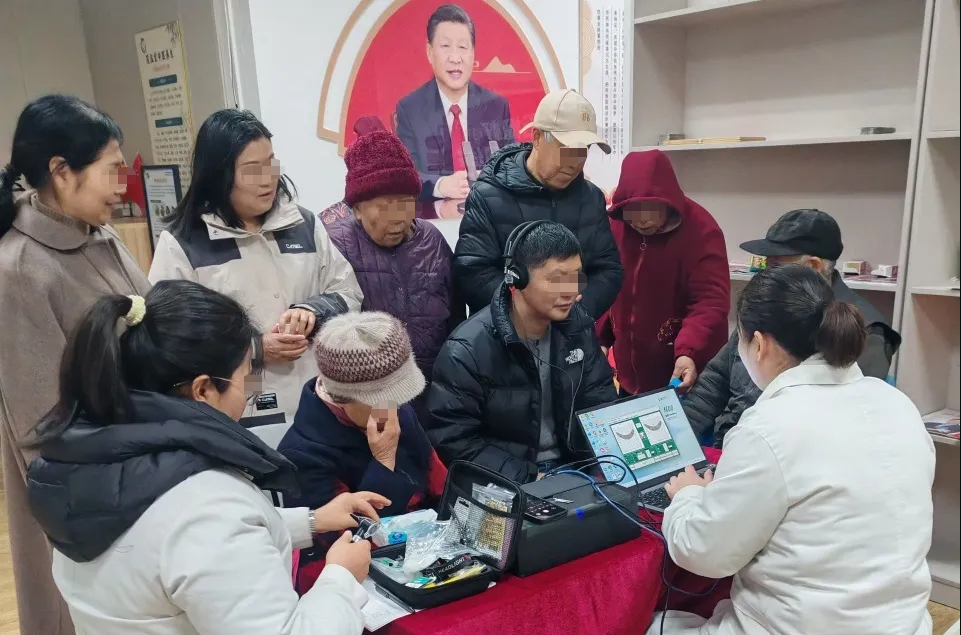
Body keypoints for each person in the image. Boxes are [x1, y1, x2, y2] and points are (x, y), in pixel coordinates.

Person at [26, 280, 385, 635]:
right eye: (247, 376)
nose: (251, 391)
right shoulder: (207, 507)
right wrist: (340, 579)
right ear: (204, 389)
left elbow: (180, 549)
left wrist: (311, 520)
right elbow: (209, 534)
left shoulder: (87, 459)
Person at [650, 264, 934, 635]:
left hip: (797, 627)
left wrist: (688, 497)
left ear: (759, 344)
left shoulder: (768, 427)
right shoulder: (898, 405)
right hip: (903, 625)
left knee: (648, 623)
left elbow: (704, 553)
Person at [0, 94, 150, 635]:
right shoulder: (18, 270)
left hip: (139, 463)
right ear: (61, 172)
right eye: (112, 170)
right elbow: (41, 425)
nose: (122, 184)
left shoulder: (100, 235)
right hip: (87, 491)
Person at [149, 109, 363, 447]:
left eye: (270, 162)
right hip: (239, 416)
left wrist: (312, 311)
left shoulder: (304, 225)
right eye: (251, 169)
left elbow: (348, 292)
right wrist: (255, 348)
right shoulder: (183, 244)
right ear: (219, 175)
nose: (267, 179)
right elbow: (169, 340)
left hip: (319, 407)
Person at [683, 208, 901, 447]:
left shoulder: (865, 331)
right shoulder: (766, 305)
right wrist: (678, 441)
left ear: (813, 266)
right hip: (734, 440)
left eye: (775, 266)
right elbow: (715, 381)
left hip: (789, 450)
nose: (766, 276)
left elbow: (839, 425)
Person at [427, 221, 618, 483]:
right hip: (508, 483)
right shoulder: (466, 350)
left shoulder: (578, 327)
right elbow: (455, 440)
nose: (571, 291)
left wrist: (601, 471)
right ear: (517, 279)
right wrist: (530, 479)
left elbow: (602, 403)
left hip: (576, 471)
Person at [278, 312, 447, 570]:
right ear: (342, 398)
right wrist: (384, 462)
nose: (396, 405)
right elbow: (348, 542)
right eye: (384, 398)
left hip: (429, 547)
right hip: (363, 574)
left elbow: (438, 480)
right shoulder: (300, 454)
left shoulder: (394, 408)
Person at [453, 89, 623, 319]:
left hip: (572, 332)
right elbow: (473, 272)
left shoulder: (591, 198)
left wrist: (577, 312)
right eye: (567, 149)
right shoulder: (489, 195)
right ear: (537, 138)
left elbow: (608, 269)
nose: (574, 163)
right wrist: (529, 311)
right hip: (505, 334)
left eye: (583, 150)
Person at [323, 126, 464, 381]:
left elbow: (455, 318)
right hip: (367, 392)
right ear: (357, 209)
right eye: (385, 207)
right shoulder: (335, 246)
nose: (398, 218)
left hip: (433, 388)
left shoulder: (431, 240)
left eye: (406, 203)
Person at [597, 149, 730, 397]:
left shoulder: (702, 230)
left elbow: (710, 301)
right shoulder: (616, 226)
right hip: (628, 374)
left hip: (682, 372)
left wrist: (689, 351)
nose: (641, 221)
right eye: (632, 212)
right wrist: (600, 339)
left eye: (650, 210)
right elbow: (607, 284)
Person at [395, 3, 515, 203]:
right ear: (430, 52)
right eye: (445, 46)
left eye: (462, 47)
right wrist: (440, 185)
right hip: (435, 217)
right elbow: (404, 175)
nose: (455, 58)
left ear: (473, 53)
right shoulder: (410, 110)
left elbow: (513, 165)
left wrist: (493, 178)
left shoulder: (496, 107)